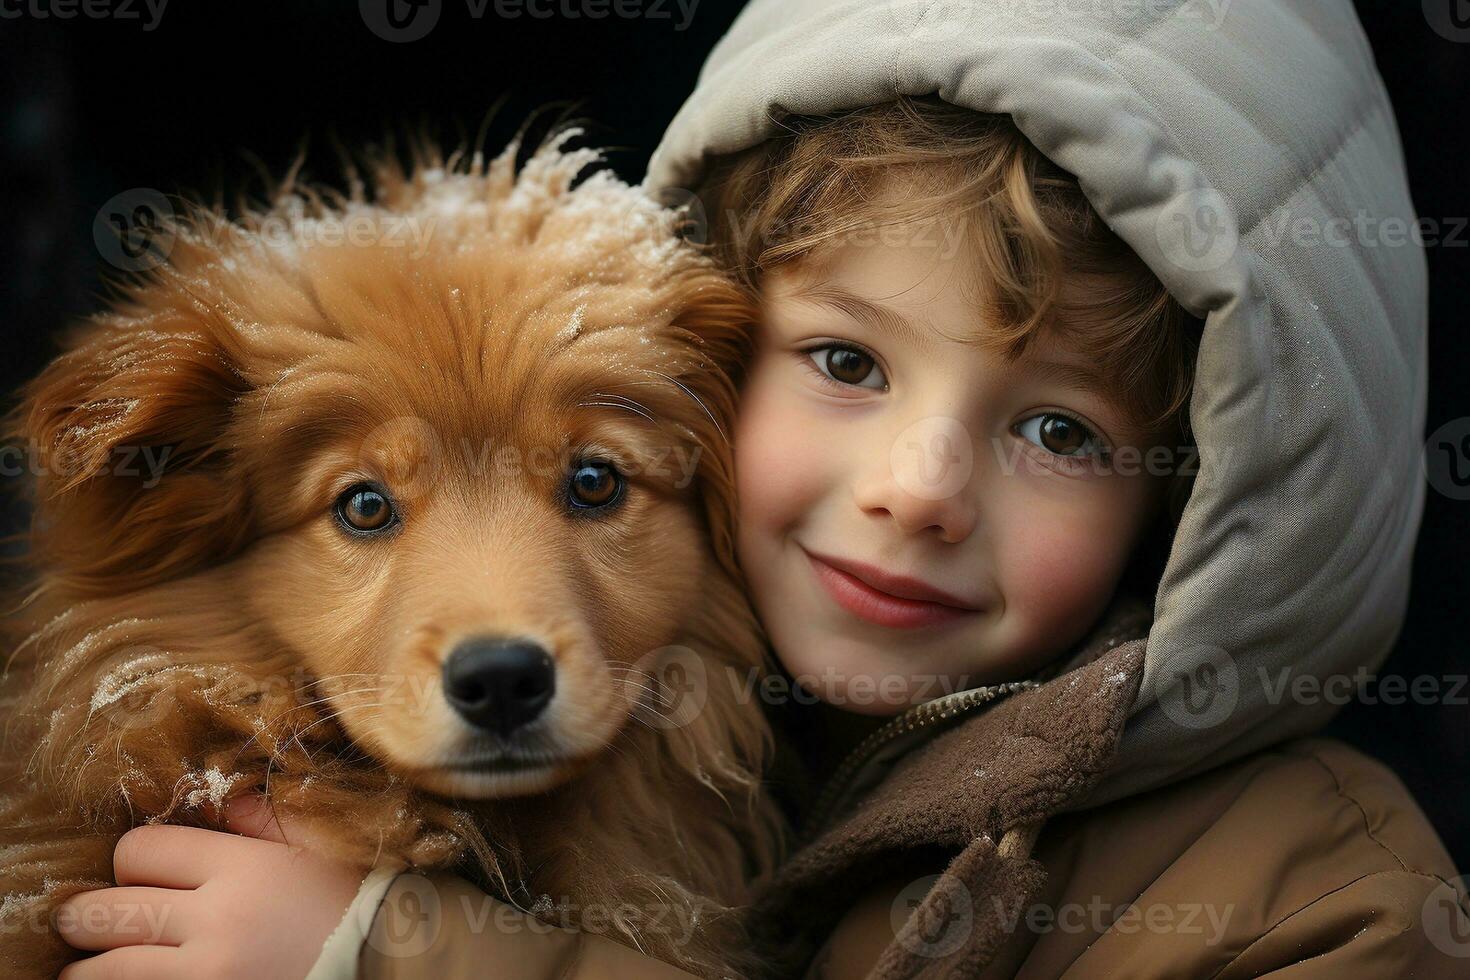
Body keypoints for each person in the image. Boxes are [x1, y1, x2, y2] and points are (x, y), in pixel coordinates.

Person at [55, 1, 1466, 977]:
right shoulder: (701, 750)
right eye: (848, 359)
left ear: (1205, 491)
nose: (917, 490)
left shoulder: (1323, 894)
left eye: (1060, 433)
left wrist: (406, 953)